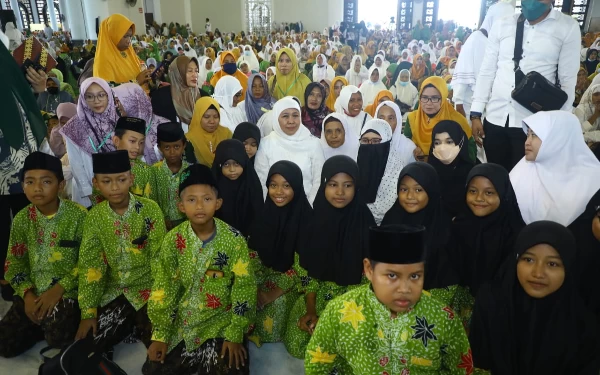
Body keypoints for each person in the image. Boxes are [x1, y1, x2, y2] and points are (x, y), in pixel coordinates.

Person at [305, 224, 474, 375]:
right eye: (392, 275)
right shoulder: (339, 312)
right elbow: (317, 365)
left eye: (415, 276)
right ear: (369, 270)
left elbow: (461, 368)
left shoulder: (443, 317)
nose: (405, 289)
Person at [143, 164, 255, 375]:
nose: (200, 206)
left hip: (222, 321)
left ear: (218, 203)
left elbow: (245, 288)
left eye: (207, 199)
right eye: (191, 200)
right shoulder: (173, 240)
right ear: (181, 206)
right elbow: (163, 285)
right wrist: (160, 334)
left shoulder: (234, 240)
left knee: (234, 369)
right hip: (184, 320)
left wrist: (235, 333)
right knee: (154, 369)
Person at [469, 221, 600, 374]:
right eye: (528, 259)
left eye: (552, 264)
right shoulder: (490, 302)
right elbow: (477, 362)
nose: (538, 273)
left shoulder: (583, 324)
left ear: (568, 269)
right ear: (516, 260)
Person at [470, 1, 580, 172]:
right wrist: (476, 113)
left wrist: (559, 126)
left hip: (532, 125)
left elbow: (567, 82)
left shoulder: (567, 27)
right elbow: (487, 70)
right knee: (496, 178)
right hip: (495, 118)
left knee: (525, 183)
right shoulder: (503, 24)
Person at [75, 150, 166, 353]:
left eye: (121, 179)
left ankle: (136, 325)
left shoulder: (150, 210)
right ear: (96, 184)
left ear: (131, 179)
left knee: (164, 352)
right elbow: (91, 265)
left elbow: (160, 259)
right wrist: (88, 312)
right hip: (115, 291)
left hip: (147, 291)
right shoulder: (95, 217)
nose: (115, 187)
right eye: (106, 181)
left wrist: (161, 301)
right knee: (85, 347)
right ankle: (127, 325)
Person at [285, 155, 375, 359]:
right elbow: (307, 272)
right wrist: (311, 310)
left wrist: (337, 315)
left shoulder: (365, 223)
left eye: (348, 185)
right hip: (317, 293)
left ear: (356, 187)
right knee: (297, 341)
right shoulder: (313, 222)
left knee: (350, 341)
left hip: (354, 296)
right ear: (324, 185)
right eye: (333, 184)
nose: (340, 192)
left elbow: (370, 279)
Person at [0, 152, 85, 357]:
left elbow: (90, 262)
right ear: (23, 186)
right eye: (30, 181)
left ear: (61, 185)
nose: (37, 188)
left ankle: (47, 324)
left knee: (58, 336)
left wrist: (59, 289)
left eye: (46, 181)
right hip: (34, 290)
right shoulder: (22, 219)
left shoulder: (79, 216)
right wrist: (28, 295)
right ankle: (39, 321)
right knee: (4, 345)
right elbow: (14, 264)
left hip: (67, 293)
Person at [247, 161, 314, 345]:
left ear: (297, 187)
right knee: (241, 301)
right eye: (273, 185)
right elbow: (252, 253)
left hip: (291, 280)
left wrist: (273, 293)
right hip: (263, 274)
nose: (278, 192)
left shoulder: (306, 220)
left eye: (286, 186)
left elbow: (303, 265)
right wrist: (254, 287)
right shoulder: (264, 213)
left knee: (270, 327)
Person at [449, 162, 525, 301]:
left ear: (503, 194)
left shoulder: (514, 233)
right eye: (473, 191)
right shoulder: (459, 226)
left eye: (489, 192)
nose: (479, 198)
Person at [510, 110, 600, 226]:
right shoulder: (524, 168)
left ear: (557, 138)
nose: (527, 142)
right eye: (527, 135)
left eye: (534, 135)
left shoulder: (591, 181)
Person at [381, 162, 452, 292]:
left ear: (432, 191)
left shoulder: (442, 226)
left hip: (433, 294)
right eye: (404, 189)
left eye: (418, 190)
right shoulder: (390, 221)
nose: (410, 196)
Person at [59, 78, 120, 207]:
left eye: (101, 95)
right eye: (89, 96)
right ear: (83, 98)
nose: (96, 101)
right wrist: (89, 191)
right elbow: (76, 163)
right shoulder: (74, 127)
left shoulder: (118, 121)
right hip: (89, 190)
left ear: (109, 95)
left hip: (117, 185)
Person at [254, 97, 324, 204]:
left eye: (295, 116)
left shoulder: (314, 143)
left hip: (306, 207)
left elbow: (318, 180)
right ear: (276, 118)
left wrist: (309, 206)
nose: (291, 121)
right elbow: (261, 181)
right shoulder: (265, 144)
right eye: (285, 116)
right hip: (275, 206)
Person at [452, 1, 514, 119]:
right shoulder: (476, 38)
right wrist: (458, 102)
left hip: (489, 105)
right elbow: (463, 71)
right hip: (468, 105)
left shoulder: (497, 42)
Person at [405, 76, 474, 161]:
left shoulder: (457, 120)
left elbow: (471, 154)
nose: (429, 103)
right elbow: (405, 145)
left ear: (443, 97)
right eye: (425, 97)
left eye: (434, 98)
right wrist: (413, 150)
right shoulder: (412, 118)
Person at [211, 139, 263, 237]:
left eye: (237, 163)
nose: (232, 169)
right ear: (219, 165)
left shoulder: (251, 184)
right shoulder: (213, 187)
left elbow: (257, 214)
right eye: (226, 164)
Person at [93, 14, 152, 87]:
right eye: (125, 36)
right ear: (113, 35)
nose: (129, 41)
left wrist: (150, 77)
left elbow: (139, 72)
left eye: (130, 36)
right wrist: (136, 82)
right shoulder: (103, 61)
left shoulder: (128, 52)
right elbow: (106, 92)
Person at [150, 122, 189, 231]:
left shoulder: (190, 171)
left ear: (184, 145)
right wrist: (161, 219)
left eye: (177, 147)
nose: (172, 152)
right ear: (160, 148)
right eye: (167, 147)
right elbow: (152, 200)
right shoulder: (154, 171)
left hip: (187, 223)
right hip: (161, 224)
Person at [151, 56, 205, 128]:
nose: (195, 75)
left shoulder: (203, 96)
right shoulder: (161, 97)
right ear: (177, 72)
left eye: (196, 71)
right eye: (189, 71)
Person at [185, 97, 232, 167]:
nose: (212, 121)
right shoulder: (189, 139)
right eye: (207, 117)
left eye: (216, 117)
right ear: (198, 117)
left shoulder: (226, 134)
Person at [112, 117, 153, 198]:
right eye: (132, 141)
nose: (137, 147)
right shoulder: (105, 167)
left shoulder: (146, 170)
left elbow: (149, 203)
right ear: (116, 141)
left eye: (141, 142)